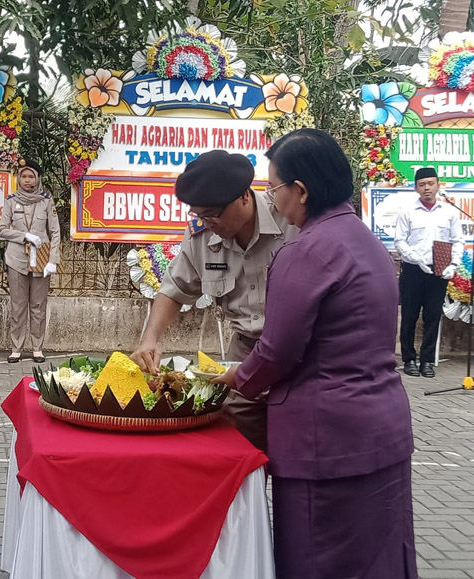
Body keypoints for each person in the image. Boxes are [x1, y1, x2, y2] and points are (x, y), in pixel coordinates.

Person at [215, 129, 417, 579]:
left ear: (301, 191)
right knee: (380, 555)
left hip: (324, 440)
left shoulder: (305, 251)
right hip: (382, 427)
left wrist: (233, 380)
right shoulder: (368, 243)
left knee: (317, 558)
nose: (273, 200)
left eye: (274, 189)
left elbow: (276, 352)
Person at [130, 149, 294, 452]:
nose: (208, 222)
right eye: (199, 214)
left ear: (245, 195)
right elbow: (173, 289)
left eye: (213, 214)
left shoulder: (290, 218)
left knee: (297, 454)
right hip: (244, 354)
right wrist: (150, 338)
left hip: (297, 357)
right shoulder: (200, 237)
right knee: (236, 450)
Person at [395, 167, 463, 378]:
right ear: (416, 188)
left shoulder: (449, 212)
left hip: (439, 271)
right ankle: (408, 359)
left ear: (438, 185)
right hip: (414, 270)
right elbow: (400, 242)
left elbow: (457, 241)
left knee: (433, 316)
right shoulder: (407, 212)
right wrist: (416, 259)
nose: (427, 188)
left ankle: (427, 361)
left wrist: (454, 265)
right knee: (409, 316)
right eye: (422, 184)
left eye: (430, 183)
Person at [0, 158, 61, 364]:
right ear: (18, 178)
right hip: (16, 259)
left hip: (41, 260)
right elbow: (2, 229)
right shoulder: (10, 200)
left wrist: (53, 259)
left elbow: (55, 232)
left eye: (31, 176)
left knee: (38, 305)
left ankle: (37, 348)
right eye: (23, 176)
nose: (27, 180)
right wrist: (23, 236)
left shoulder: (46, 201)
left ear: (37, 179)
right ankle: (16, 347)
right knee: (18, 305)